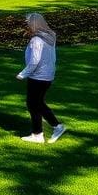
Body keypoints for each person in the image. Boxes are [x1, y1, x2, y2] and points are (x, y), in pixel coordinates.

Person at [16, 13, 67, 144]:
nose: (27, 26)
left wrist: (23, 74)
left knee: (33, 103)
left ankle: (41, 133)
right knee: (37, 103)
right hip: (48, 75)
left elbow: (34, 61)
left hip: (38, 76)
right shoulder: (50, 36)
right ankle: (49, 129)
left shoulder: (36, 40)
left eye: (28, 23)